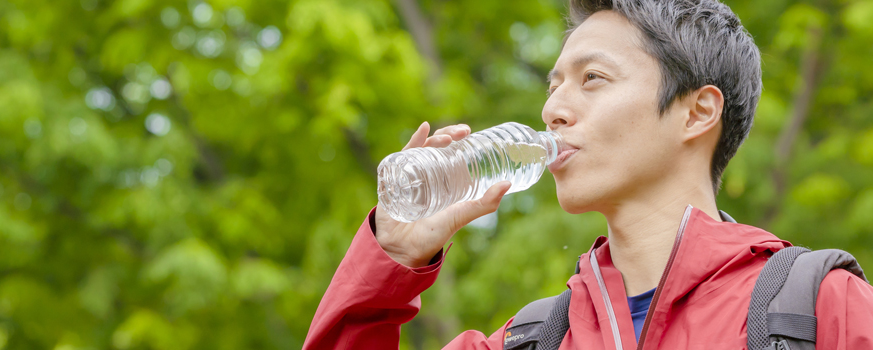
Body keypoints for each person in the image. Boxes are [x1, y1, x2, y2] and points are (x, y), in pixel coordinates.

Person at [303, 0, 873, 349]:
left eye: (592, 78)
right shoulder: (531, 340)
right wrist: (389, 265)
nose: (553, 109)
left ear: (698, 111)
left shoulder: (817, 310)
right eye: (553, 85)